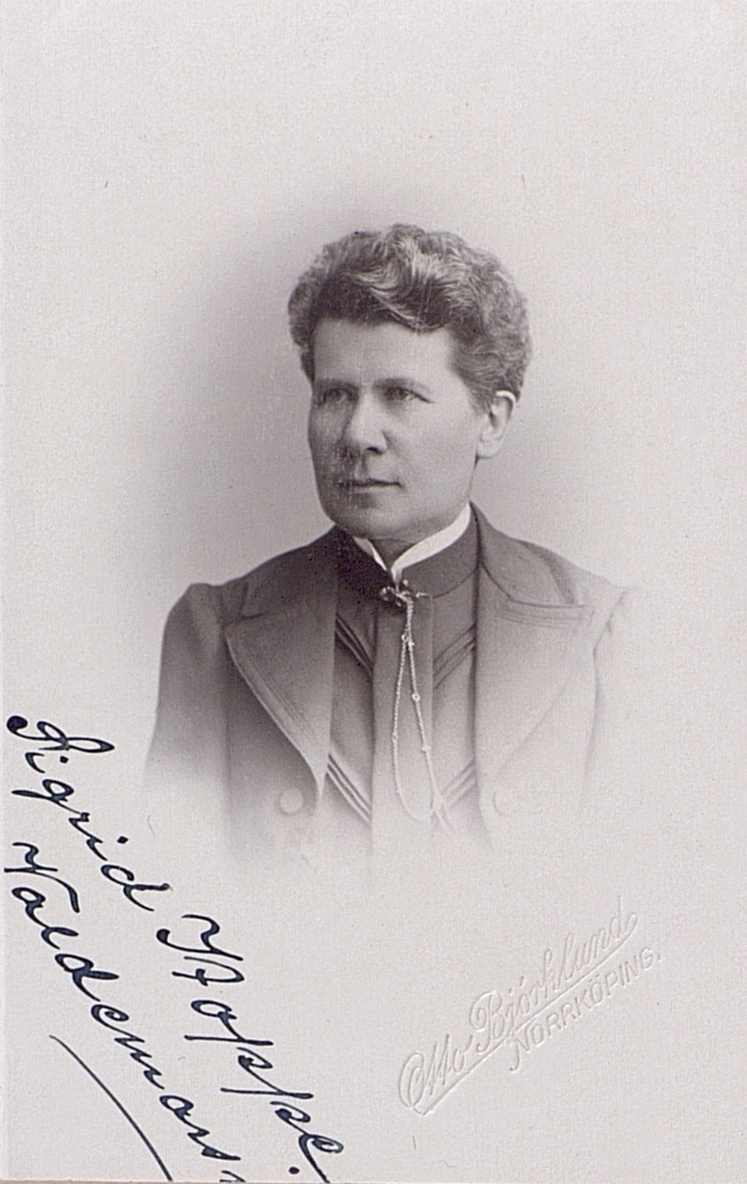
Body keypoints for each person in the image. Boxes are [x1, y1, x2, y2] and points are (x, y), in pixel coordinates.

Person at [146, 225, 637, 866]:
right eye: (335, 395)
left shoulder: (604, 635)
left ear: (491, 421)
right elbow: (179, 897)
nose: (357, 434)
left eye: (400, 395)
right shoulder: (216, 633)